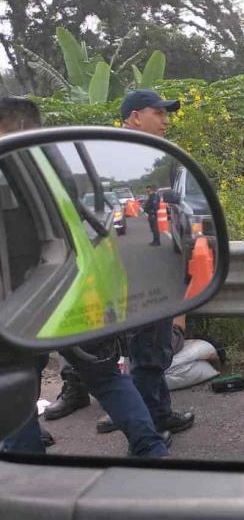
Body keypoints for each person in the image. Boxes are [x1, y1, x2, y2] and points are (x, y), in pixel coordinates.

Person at [0, 97, 169, 457]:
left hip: (29, 302)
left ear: (10, 128)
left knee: (16, 387)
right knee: (106, 377)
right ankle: (151, 448)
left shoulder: (15, 168)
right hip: (75, 288)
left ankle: (26, 480)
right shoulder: (54, 168)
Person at [95, 89, 194, 436]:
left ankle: (153, 412)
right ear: (136, 116)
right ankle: (147, 423)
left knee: (151, 346)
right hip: (127, 272)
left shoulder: (149, 156)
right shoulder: (115, 156)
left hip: (149, 265)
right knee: (145, 349)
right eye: (159, 113)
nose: (166, 120)